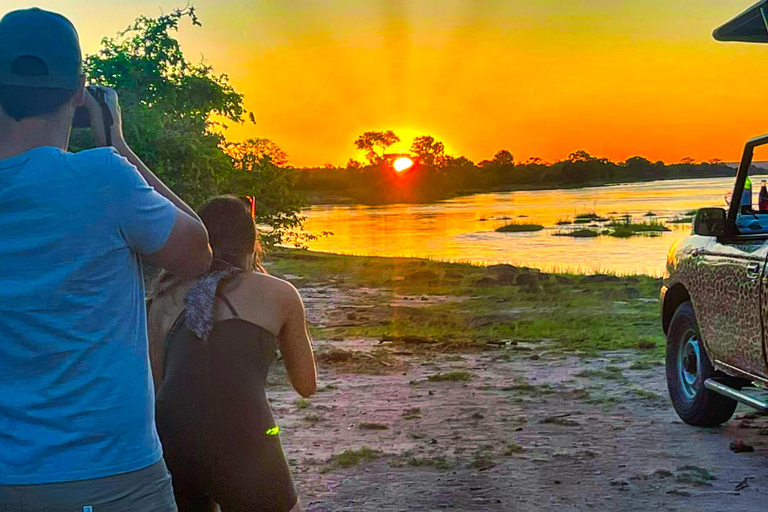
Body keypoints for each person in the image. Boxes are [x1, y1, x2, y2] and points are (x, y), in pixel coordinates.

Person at [0, 8, 212, 511]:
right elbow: (198, 253)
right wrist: (117, 145)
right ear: (78, 92)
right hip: (113, 475)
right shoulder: (104, 179)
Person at [147, 196, 317, 512]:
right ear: (251, 245)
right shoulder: (280, 293)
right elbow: (306, 385)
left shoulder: (163, 298)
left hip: (173, 436)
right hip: (245, 434)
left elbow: (158, 387)